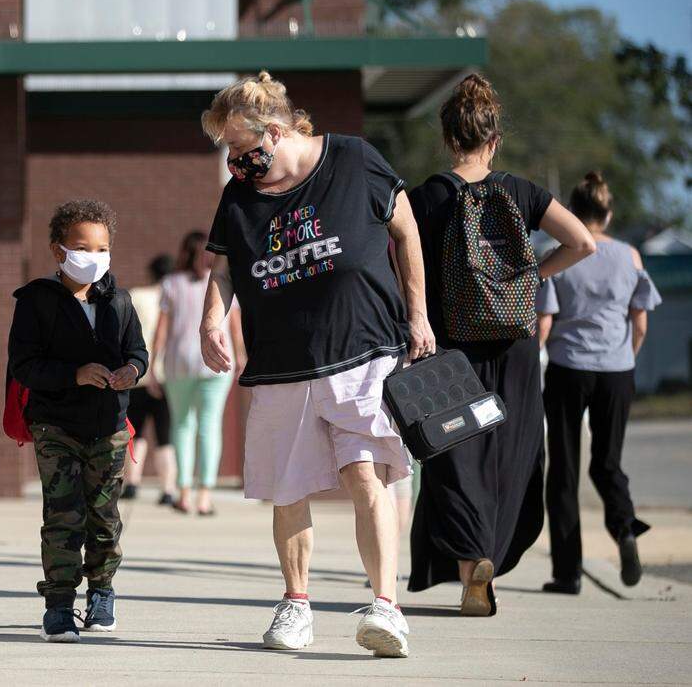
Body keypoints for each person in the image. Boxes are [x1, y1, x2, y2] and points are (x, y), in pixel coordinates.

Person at [200, 71, 435, 658]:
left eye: (240, 148)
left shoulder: (354, 159)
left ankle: (386, 607)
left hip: (361, 353)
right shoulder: (240, 196)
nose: (234, 162)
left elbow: (405, 232)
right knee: (289, 489)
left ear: (275, 133)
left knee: (365, 476)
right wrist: (211, 319)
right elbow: (225, 266)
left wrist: (419, 315)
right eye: (228, 151)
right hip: (281, 363)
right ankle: (296, 604)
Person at [406, 74, 595, 616]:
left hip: (447, 348)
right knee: (511, 458)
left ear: (448, 139)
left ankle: (470, 563)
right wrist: (533, 277)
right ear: (494, 141)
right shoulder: (522, 191)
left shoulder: (424, 198)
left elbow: (399, 263)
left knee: (451, 457)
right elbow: (581, 241)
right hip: (513, 345)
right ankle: (488, 555)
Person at [8, 200, 149, 643]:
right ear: (58, 250)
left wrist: (133, 370)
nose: (94, 257)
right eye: (83, 247)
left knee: (104, 516)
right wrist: (75, 374)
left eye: (103, 248)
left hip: (108, 426)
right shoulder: (35, 301)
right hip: (55, 426)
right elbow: (24, 366)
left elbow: (138, 352)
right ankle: (59, 605)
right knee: (63, 516)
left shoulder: (119, 301)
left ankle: (102, 591)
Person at [538, 171, 661, 595]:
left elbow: (545, 322)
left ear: (572, 211)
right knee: (608, 462)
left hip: (568, 369)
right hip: (617, 371)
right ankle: (624, 528)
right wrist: (626, 359)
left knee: (565, 470)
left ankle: (568, 573)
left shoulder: (564, 254)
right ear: (607, 214)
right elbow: (640, 321)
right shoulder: (630, 257)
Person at [154, 231, 244, 516]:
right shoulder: (224, 280)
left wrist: (154, 363)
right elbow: (234, 327)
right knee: (209, 426)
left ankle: (183, 492)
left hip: (178, 363)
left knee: (181, 425)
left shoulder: (171, 283)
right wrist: (241, 356)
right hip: (217, 361)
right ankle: (204, 495)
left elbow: (162, 329)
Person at [121, 254, 177, 504]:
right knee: (166, 435)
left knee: (136, 432)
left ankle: (132, 483)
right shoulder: (174, 296)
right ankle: (167, 489)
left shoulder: (137, 295)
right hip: (167, 375)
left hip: (138, 373)